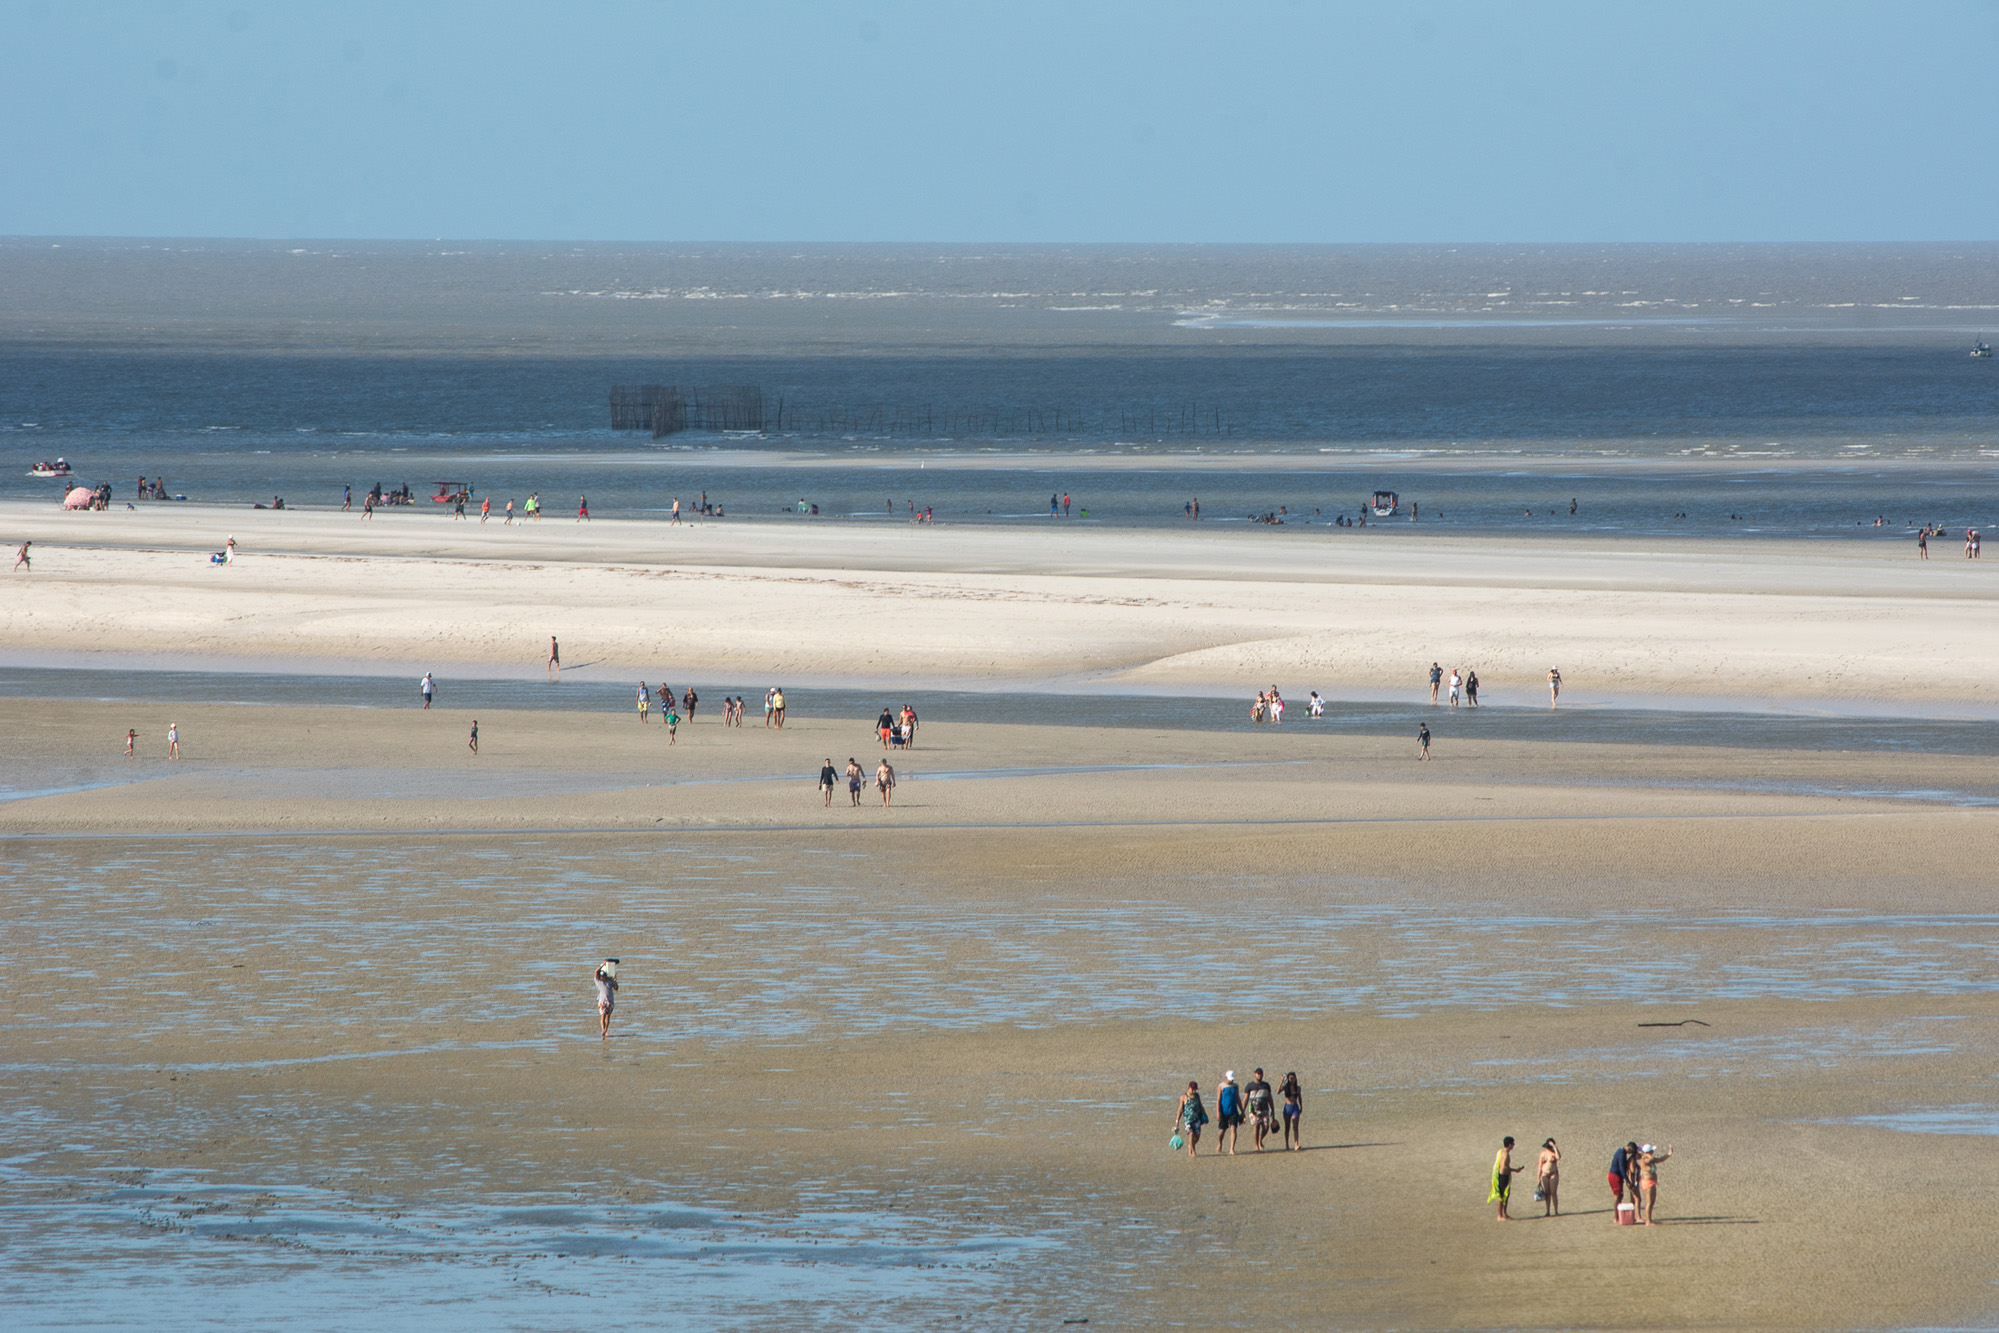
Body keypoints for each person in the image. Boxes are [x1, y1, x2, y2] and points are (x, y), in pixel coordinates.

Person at [1638, 1144, 1673, 1225]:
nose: (1653, 1152)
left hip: (1652, 1182)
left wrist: (1668, 1155)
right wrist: (1644, 1154)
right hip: (1647, 1182)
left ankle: (1649, 1219)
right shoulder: (1644, 1160)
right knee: (1649, 1202)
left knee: (1652, 1201)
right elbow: (1652, 1158)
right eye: (1652, 1150)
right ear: (1648, 1152)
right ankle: (1648, 1221)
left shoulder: (1650, 1159)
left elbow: (1659, 1160)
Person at [1243, 1069, 1275, 1151]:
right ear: (1254, 1074)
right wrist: (1242, 1111)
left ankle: (1260, 1139)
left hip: (1265, 1109)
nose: (1259, 1075)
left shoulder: (1266, 1085)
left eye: (1261, 1074)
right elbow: (1245, 1099)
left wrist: (1273, 1109)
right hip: (1254, 1110)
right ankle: (1256, 1145)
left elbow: (1270, 1098)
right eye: (1258, 1074)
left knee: (1266, 1126)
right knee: (1256, 1126)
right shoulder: (1250, 1086)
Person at [1175, 1081, 1209, 1158]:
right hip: (1188, 1120)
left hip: (1197, 1120)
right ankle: (1193, 1152)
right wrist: (1177, 1121)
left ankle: (1190, 1145)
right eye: (1193, 1089)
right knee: (1191, 1134)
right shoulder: (1184, 1097)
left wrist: (1205, 1115)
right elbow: (1180, 1109)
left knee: (1197, 1136)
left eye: (1195, 1090)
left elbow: (1201, 1106)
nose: (1194, 1091)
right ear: (1189, 1088)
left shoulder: (1197, 1096)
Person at [1490, 1136, 1519, 1220]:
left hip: (1501, 1176)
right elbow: (1504, 1167)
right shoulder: (1505, 1154)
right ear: (1509, 1144)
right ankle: (1501, 1215)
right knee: (1503, 1195)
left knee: (1504, 1195)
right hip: (1503, 1176)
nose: (1513, 1145)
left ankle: (1503, 1214)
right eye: (1513, 1143)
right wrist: (1515, 1170)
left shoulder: (1500, 1151)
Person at [1215, 1071, 1243, 1155]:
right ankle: (1220, 1143)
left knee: (1233, 1129)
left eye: (1232, 1079)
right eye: (1230, 1079)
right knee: (1222, 1131)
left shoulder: (1235, 1086)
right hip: (1224, 1112)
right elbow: (1218, 1100)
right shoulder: (1221, 1086)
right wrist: (1217, 1112)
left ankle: (1231, 1149)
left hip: (1233, 1111)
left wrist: (1242, 1111)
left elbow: (1238, 1099)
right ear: (1226, 1077)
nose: (1231, 1081)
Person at [1608, 1141, 1637, 1220]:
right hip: (1615, 1176)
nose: (1630, 1153)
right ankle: (1616, 1217)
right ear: (1629, 1148)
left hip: (1616, 1175)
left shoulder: (1622, 1152)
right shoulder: (1621, 1153)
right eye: (1630, 1151)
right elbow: (1621, 1168)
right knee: (1618, 1196)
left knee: (1620, 1196)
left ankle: (1618, 1216)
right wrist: (1627, 1181)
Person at [1537, 1138, 1562, 1216]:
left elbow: (1558, 1157)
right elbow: (1539, 1166)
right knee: (1547, 1193)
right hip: (1545, 1174)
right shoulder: (1543, 1154)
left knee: (1553, 1192)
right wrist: (1538, 1177)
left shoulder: (1554, 1153)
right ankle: (1547, 1211)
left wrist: (1554, 1147)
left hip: (1553, 1174)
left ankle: (1556, 1211)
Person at [1279, 1071, 1304, 1150]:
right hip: (1287, 1107)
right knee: (1287, 1127)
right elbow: (1277, 1091)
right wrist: (1281, 1081)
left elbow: (1299, 1097)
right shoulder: (1285, 1087)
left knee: (1295, 1126)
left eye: (1293, 1078)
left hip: (1295, 1107)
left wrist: (1301, 1107)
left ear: (1295, 1079)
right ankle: (1287, 1144)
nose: (1292, 1079)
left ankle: (1296, 1144)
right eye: (1290, 1078)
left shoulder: (1298, 1088)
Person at [594, 960, 618, 1038]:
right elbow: (596, 971)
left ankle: (605, 1030)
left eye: (603, 976)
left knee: (608, 1017)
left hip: (610, 1001)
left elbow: (616, 988)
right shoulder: (599, 981)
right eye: (601, 976)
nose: (602, 977)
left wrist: (615, 981)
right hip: (602, 1001)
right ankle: (603, 1030)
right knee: (603, 1016)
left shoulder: (609, 981)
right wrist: (603, 965)